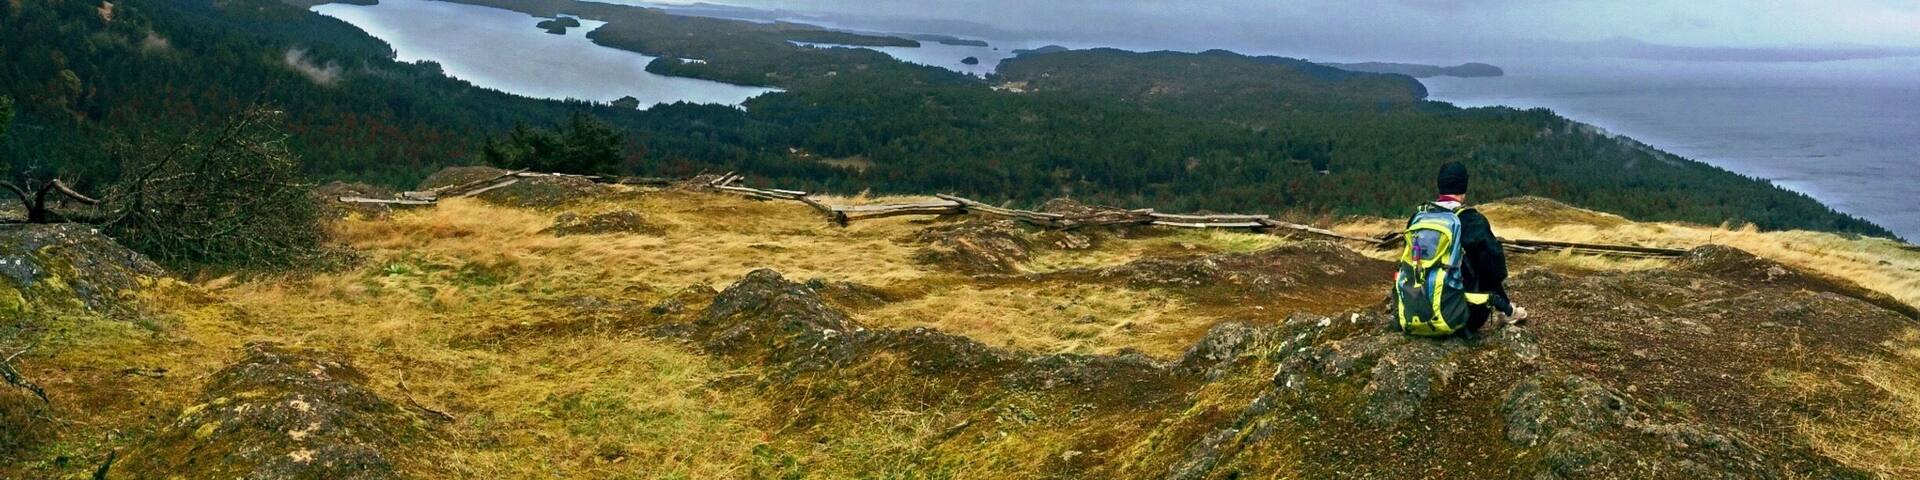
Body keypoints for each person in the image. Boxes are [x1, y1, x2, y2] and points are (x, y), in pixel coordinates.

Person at [1430, 161, 1524, 333]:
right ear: (1464, 186)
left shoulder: (1422, 216)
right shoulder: (1470, 220)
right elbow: (1494, 269)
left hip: (1419, 308)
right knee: (1485, 264)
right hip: (1460, 315)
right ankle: (1508, 311)